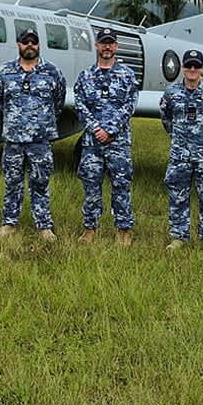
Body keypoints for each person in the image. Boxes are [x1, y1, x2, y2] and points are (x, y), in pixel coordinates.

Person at [0, 26, 66, 241]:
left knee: (41, 183)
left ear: (39, 44)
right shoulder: (5, 72)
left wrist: (40, 122)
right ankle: (8, 224)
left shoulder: (52, 71)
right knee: (12, 183)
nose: (30, 45)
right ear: (19, 45)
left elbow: (58, 102)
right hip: (14, 140)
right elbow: (0, 100)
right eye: (26, 41)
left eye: (33, 41)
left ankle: (44, 227)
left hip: (40, 140)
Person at [73, 27, 140, 245]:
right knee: (91, 186)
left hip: (118, 142)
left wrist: (110, 129)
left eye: (111, 43)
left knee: (121, 186)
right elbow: (80, 105)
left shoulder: (127, 75)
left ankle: (124, 230)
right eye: (103, 42)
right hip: (92, 143)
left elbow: (130, 105)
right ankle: (90, 228)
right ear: (97, 46)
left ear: (116, 47)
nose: (107, 46)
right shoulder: (85, 76)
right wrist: (96, 128)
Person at [159, 49, 203, 254]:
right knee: (178, 197)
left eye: (196, 66)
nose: (192, 70)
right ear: (182, 68)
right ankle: (179, 237)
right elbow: (166, 119)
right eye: (188, 66)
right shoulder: (171, 93)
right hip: (180, 155)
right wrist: (179, 139)